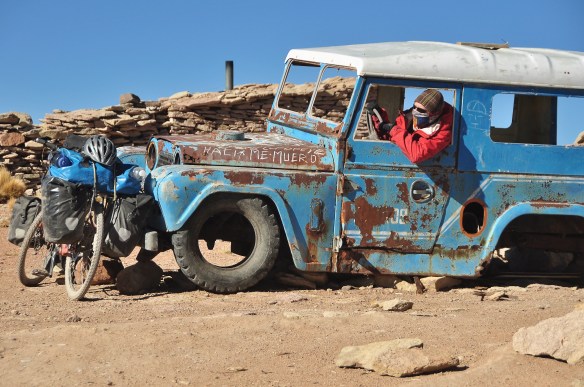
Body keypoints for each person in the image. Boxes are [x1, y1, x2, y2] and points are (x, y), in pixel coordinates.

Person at [371, 88, 454, 163]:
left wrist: (394, 130)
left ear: (434, 115)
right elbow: (392, 137)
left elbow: (417, 155)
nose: (415, 111)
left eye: (421, 110)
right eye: (414, 106)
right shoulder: (408, 117)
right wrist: (379, 117)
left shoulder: (444, 132)